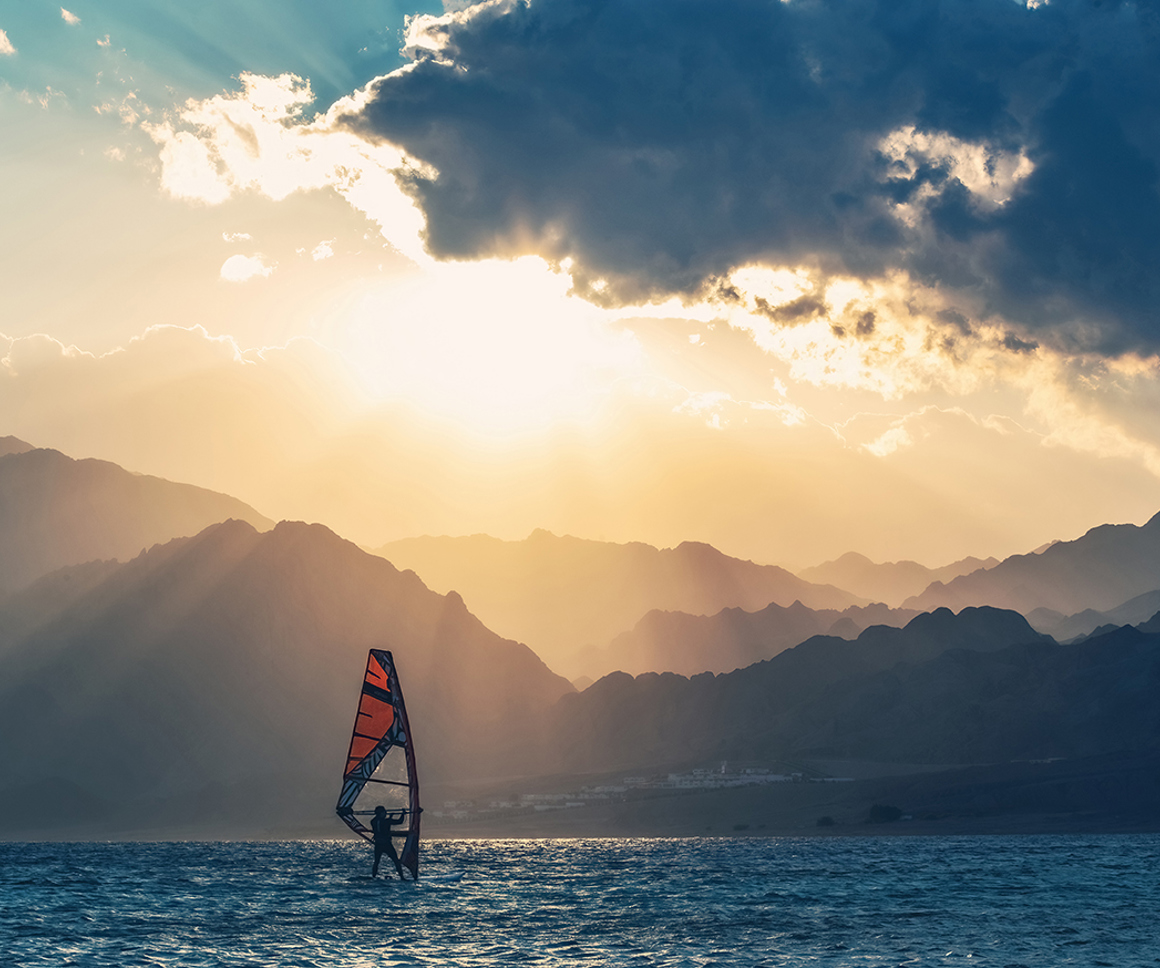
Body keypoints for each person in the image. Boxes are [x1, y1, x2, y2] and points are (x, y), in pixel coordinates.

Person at [370, 805, 406, 879]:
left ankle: (373, 876)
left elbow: (382, 825)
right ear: (381, 813)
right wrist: (403, 814)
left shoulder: (373, 821)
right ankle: (402, 877)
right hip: (386, 844)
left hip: (378, 844)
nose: (386, 813)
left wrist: (390, 817)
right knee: (396, 860)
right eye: (384, 812)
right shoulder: (386, 821)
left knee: (376, 862)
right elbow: (400, 821)